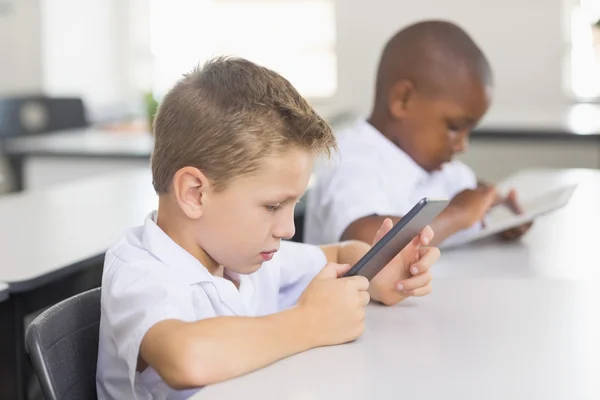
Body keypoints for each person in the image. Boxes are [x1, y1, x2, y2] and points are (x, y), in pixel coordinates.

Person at [96, 57, 440, 400]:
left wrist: (377, 270)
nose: (288, 229)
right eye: (273, 206)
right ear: (195, 193)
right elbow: (187, 359)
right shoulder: (141, 272)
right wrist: (309, 322)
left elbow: (339, 254)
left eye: (294, 205)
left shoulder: (240, 253)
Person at [304, 20, 531, 247]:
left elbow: (468, 204)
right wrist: (458, 214)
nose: (462, 145)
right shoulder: (351, 157)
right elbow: (364, 242)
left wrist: (496, 218)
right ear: (403, 100)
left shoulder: (439, 167)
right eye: (454, 127)